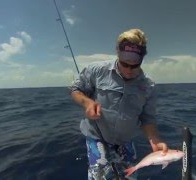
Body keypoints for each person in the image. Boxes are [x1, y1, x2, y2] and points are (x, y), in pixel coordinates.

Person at [70, 28, 168, 180]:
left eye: (135, 65)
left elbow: (147, 118)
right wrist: (87, 102)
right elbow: (76, 90)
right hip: (97, 138)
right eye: (124, 64)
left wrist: (155, 139)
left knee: (130, 176)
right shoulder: (97, 70)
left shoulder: (148, 86)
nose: (129, 70)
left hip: (125, 141)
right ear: (117, 53)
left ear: (142, 59)